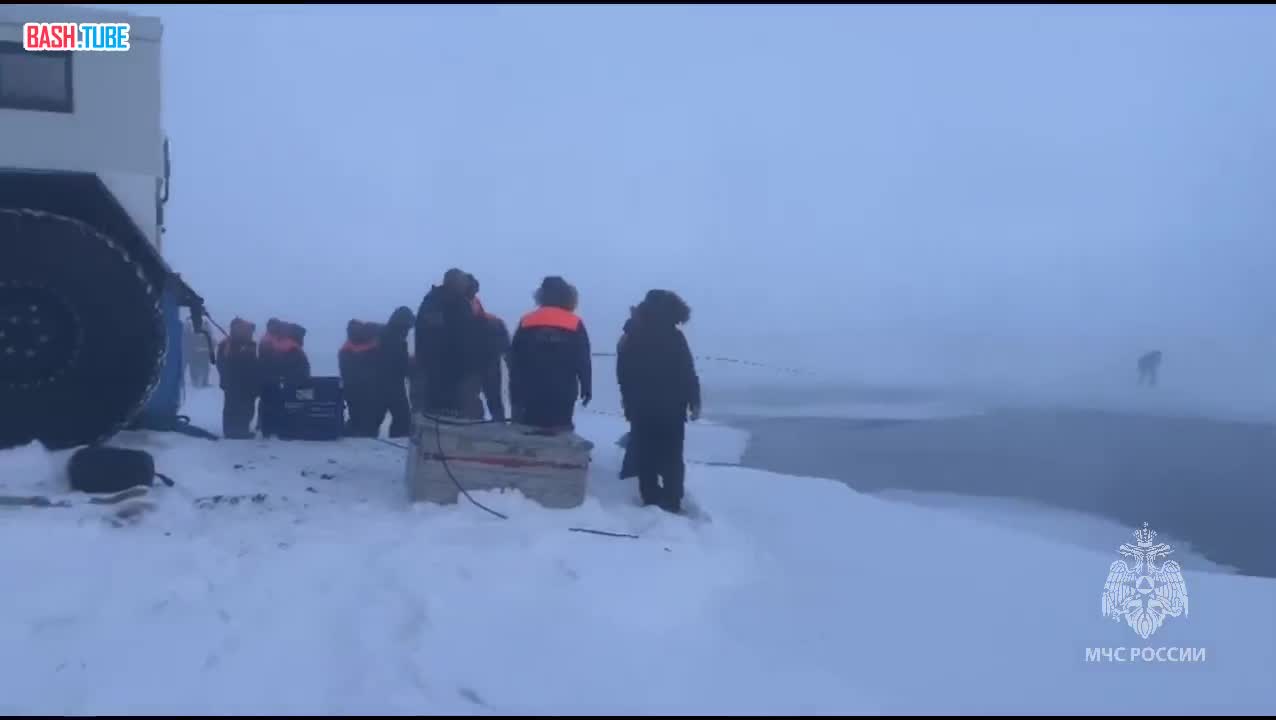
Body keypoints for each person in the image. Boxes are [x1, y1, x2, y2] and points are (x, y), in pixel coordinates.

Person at [616, 290, 701, 514]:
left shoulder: (632, 335)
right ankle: (672, 502)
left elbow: (623, 373)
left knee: (646, 455)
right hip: (673, 408)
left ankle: (651, 500)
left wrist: (627, 403)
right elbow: (688, 372)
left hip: (642, 407)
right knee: (672, 456)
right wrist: (695, 401)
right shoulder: (676, 337)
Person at [508, 276, 592, 431]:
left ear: (541, 295)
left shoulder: (526, 321)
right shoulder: (574, 322)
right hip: (563, 391)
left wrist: (515, 391)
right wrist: (586, 387)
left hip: (530, 390)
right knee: (560, 429)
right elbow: (583, 359)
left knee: (529, 431)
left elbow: (514, 359)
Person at [414, 268, 486, 416]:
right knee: (448, 412)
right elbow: (460, 336)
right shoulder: (446, 303)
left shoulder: (435, 301)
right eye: (463, 283)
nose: (465, 287)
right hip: (447, 372)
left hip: (446, 370)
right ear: (454, 283)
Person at [257, 318, 311, 438]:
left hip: (274, 379)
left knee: (270, 402)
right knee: (280, 403)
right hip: (284, 380)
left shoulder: (270, 340)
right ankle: (278, 428)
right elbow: (286, 363)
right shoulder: (287, 344)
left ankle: (267, 427)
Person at [371, 306, 415, 437]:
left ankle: (366, 437)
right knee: (403, 419)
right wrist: (411, 367)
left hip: (384, 384)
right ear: (401, 324)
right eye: (407, 327)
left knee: (374, 419)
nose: (408, 330)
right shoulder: (392, 338)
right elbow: (397, 363)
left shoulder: (389, 335)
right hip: (390, 385)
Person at [216, 318, 260, 439]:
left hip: (237, 382)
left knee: (235, 406)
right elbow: (226, 363)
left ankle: (236, 429)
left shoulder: (229, 343)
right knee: (239, 406)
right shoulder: (234, 344)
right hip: (239, 383)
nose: (251, 334)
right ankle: (236, 431)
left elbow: (222, 363)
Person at [339, 319, 380, 436]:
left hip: (358, 384)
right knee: (361, 408)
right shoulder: (372, 344)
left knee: (359, 407)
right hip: (362, 384)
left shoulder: (347, 348)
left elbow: (345, 368)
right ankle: (364, 428)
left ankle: (361, 428)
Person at [183, 316, 212, 388]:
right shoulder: (205, 323)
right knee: (202, 366)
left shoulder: (188, 323)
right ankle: (202, 381)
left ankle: (197, 381)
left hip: (196, 350)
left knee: (196, 366)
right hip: (200, 350)